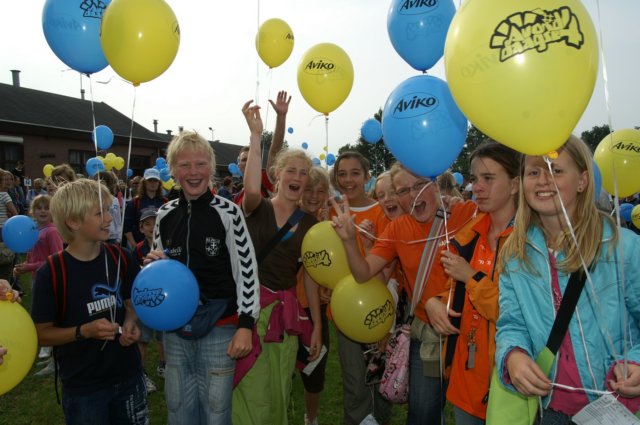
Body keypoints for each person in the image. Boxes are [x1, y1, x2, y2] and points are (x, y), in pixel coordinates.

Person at [495, 135, 640, 422]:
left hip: (619, 406)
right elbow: (511, 323)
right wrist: (513, 355)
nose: (543, 180)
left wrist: (637, 362)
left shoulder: (622, 247)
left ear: (583, 181)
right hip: (551, 409)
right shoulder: (515, 254)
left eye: (556, 170)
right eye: (533, 172)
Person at [331, 161, 478, 425]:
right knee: (422, 416)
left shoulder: (464, 212)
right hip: (427, 338)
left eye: (420, 185)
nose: (413, 195)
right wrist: (347, 240)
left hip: (473, 334)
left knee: (473, 416)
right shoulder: (398, 229)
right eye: (403, 190)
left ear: (435, 184)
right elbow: (364, 273)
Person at [145, 130, 260, 425]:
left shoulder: (229, 213)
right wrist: (152, 265)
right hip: (174, 332)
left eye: (199, 164)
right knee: (178, 408)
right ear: (172, 171)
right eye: (184, 165)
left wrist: (246, 325)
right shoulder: (165, 214)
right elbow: (158, 270)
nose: (193, 172)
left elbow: (246, 271)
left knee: (216, 411)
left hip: (220, 329)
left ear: (211, 167)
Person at [233, 100, 322, 425]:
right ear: (278, 175)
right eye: (291, 170)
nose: (297, 176)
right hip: (251, 312)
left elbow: (310, 277)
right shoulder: (258, 207)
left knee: (280, 390)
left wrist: (317, 328)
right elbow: (251, 187)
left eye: (303, 172)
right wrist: (256, 135)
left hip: (286, 319)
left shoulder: (311, 222)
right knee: (252, 389)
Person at [30, 179, 147, 424]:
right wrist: (84, 331)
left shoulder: (121, 257)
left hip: (128, 376)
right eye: (100, 213)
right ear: (73, 222)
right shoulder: (52, 272)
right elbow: (41, 334)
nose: (109, 218)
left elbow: (131, 303)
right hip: (84, 388)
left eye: (109, 210)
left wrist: (131, 322)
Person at [426, 142, 521, 424]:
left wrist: (471, 277)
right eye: (475, 178)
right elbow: (454, 292)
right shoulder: (470, 235)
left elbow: (520, 314)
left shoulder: (531, 241)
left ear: (515, 184)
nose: (477, 186)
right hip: (465, 378)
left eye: (488, 178)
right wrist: (434, 303)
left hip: (510, 382)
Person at [330, 151, 393, 425]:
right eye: (341, 174)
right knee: (355, 382)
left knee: (381, 382)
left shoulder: (382, 211)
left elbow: (389, 265)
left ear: (367, 176)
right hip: (346, 312)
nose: (347, 180)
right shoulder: (330, 211)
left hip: (380, 307)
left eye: (355, 173)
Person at [295, 166, 332, 425]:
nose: (314, 196)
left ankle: (311, 418)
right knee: (283, 367)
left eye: (320, 191)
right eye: (309, 189)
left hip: (313, 309)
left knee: (314, 370)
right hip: (285, 307)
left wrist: (329, 287)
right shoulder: (286, 219)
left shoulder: (327, 223)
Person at [12, 194, 64, 375]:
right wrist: (24, 266)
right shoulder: (34, 230)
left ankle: (54, 357)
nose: (43, 211)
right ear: (32, 211)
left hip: (50, 279)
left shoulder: (52, 231)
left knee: (50, 316)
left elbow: (56, 258)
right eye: (39, 207)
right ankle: (50, 354)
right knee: (42, 314)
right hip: (37, 278)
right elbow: (33, 253)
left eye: (46, 207)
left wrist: (30, 266)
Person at [233, 90, 291, 205]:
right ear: (239, 165)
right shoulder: (236, 197)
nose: (248, 161)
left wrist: (281, 116)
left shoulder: (265, 179)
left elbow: (275, 151)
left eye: (251, 158)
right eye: (245, 159)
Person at [133, 207, 166, 387]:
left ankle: (163, 365)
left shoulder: (168, 245)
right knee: (142, 337)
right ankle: (141, 373)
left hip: (164, 299)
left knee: (164, 336)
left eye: (155, 224)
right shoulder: (138, 249)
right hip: (145, 298)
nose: (152, 228)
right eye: (147, 224)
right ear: (141, 228)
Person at [123, 168, 167, 249]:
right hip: (140, 246)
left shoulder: (165, 202)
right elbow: (126, 227)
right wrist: (134, 245)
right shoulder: (134, 202)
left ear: (159, 183)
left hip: (160, 246)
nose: (153, 183)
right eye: (150, 180)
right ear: (144, 183)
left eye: (155, 180)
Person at [94, 171, 123, 245]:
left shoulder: (115, 200)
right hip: (98, 237)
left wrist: (119, 236)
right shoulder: (93, 201)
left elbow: (118, 219)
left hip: (112, 238)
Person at [0, 169, 19, 281]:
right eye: (6, 179)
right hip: (4, 228)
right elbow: (15, 214)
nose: (9, 181)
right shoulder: (5, 195)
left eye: (10, 179)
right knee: (8, 259)